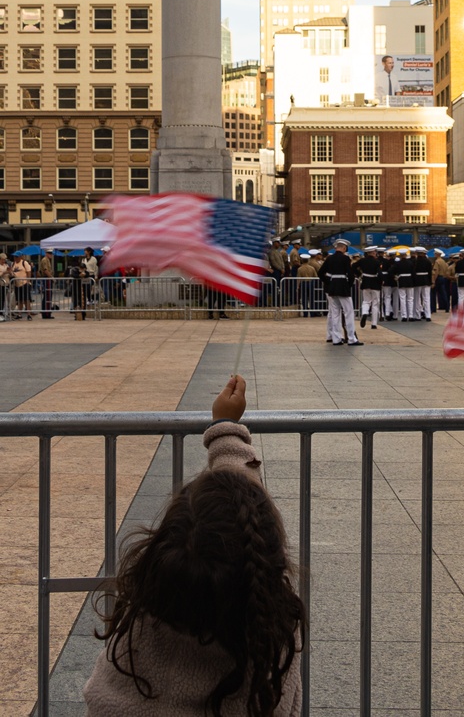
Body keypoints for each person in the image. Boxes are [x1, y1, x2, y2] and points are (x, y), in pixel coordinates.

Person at [84, 374, 304, 717]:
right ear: (264, 559)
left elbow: (236, 519)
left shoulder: (137, 638)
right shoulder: (268, 648)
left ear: (157, 556)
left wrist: (225, 427)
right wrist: (227, 428)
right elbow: (240, 520)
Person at [319, 238, 362, 346]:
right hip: (343, 286)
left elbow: (320, 272)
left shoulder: (329, 258)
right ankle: (352, 338)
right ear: (343, 248)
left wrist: (328, 281)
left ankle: (336, 338)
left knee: (335, 314)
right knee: (348, 312)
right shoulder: (345, 258)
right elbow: (350, 274)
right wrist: (349, 285)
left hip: (332, 287)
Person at [411, 246, 433, 321]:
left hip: (417, 281)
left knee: (417, 298)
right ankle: (428, 315)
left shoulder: (414, 261)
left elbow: (413, 272)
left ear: (417, 253)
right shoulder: (428, 261)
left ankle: (417, 315)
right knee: (426, 298)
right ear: (423, 253)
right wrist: (430, 282)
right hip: (426, 280)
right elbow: (430, 272)